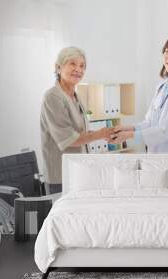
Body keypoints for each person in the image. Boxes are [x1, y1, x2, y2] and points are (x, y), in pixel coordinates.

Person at [110, 33, 168, 153]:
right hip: (159, 159)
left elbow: (166, 129)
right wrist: (126, 128)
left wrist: (129, 135)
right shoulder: (162, 86)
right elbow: (150, 123)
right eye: (167, 51)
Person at [40, 47, 113, 194]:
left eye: (82, 66)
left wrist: (104, 134)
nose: (78, 69)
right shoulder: (53, 97)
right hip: (61, 176)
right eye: (72, 63)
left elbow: (79, 132)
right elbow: (69, 139)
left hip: (79, 171)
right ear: (58, 67)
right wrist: (99, 134)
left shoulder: (75, 96)